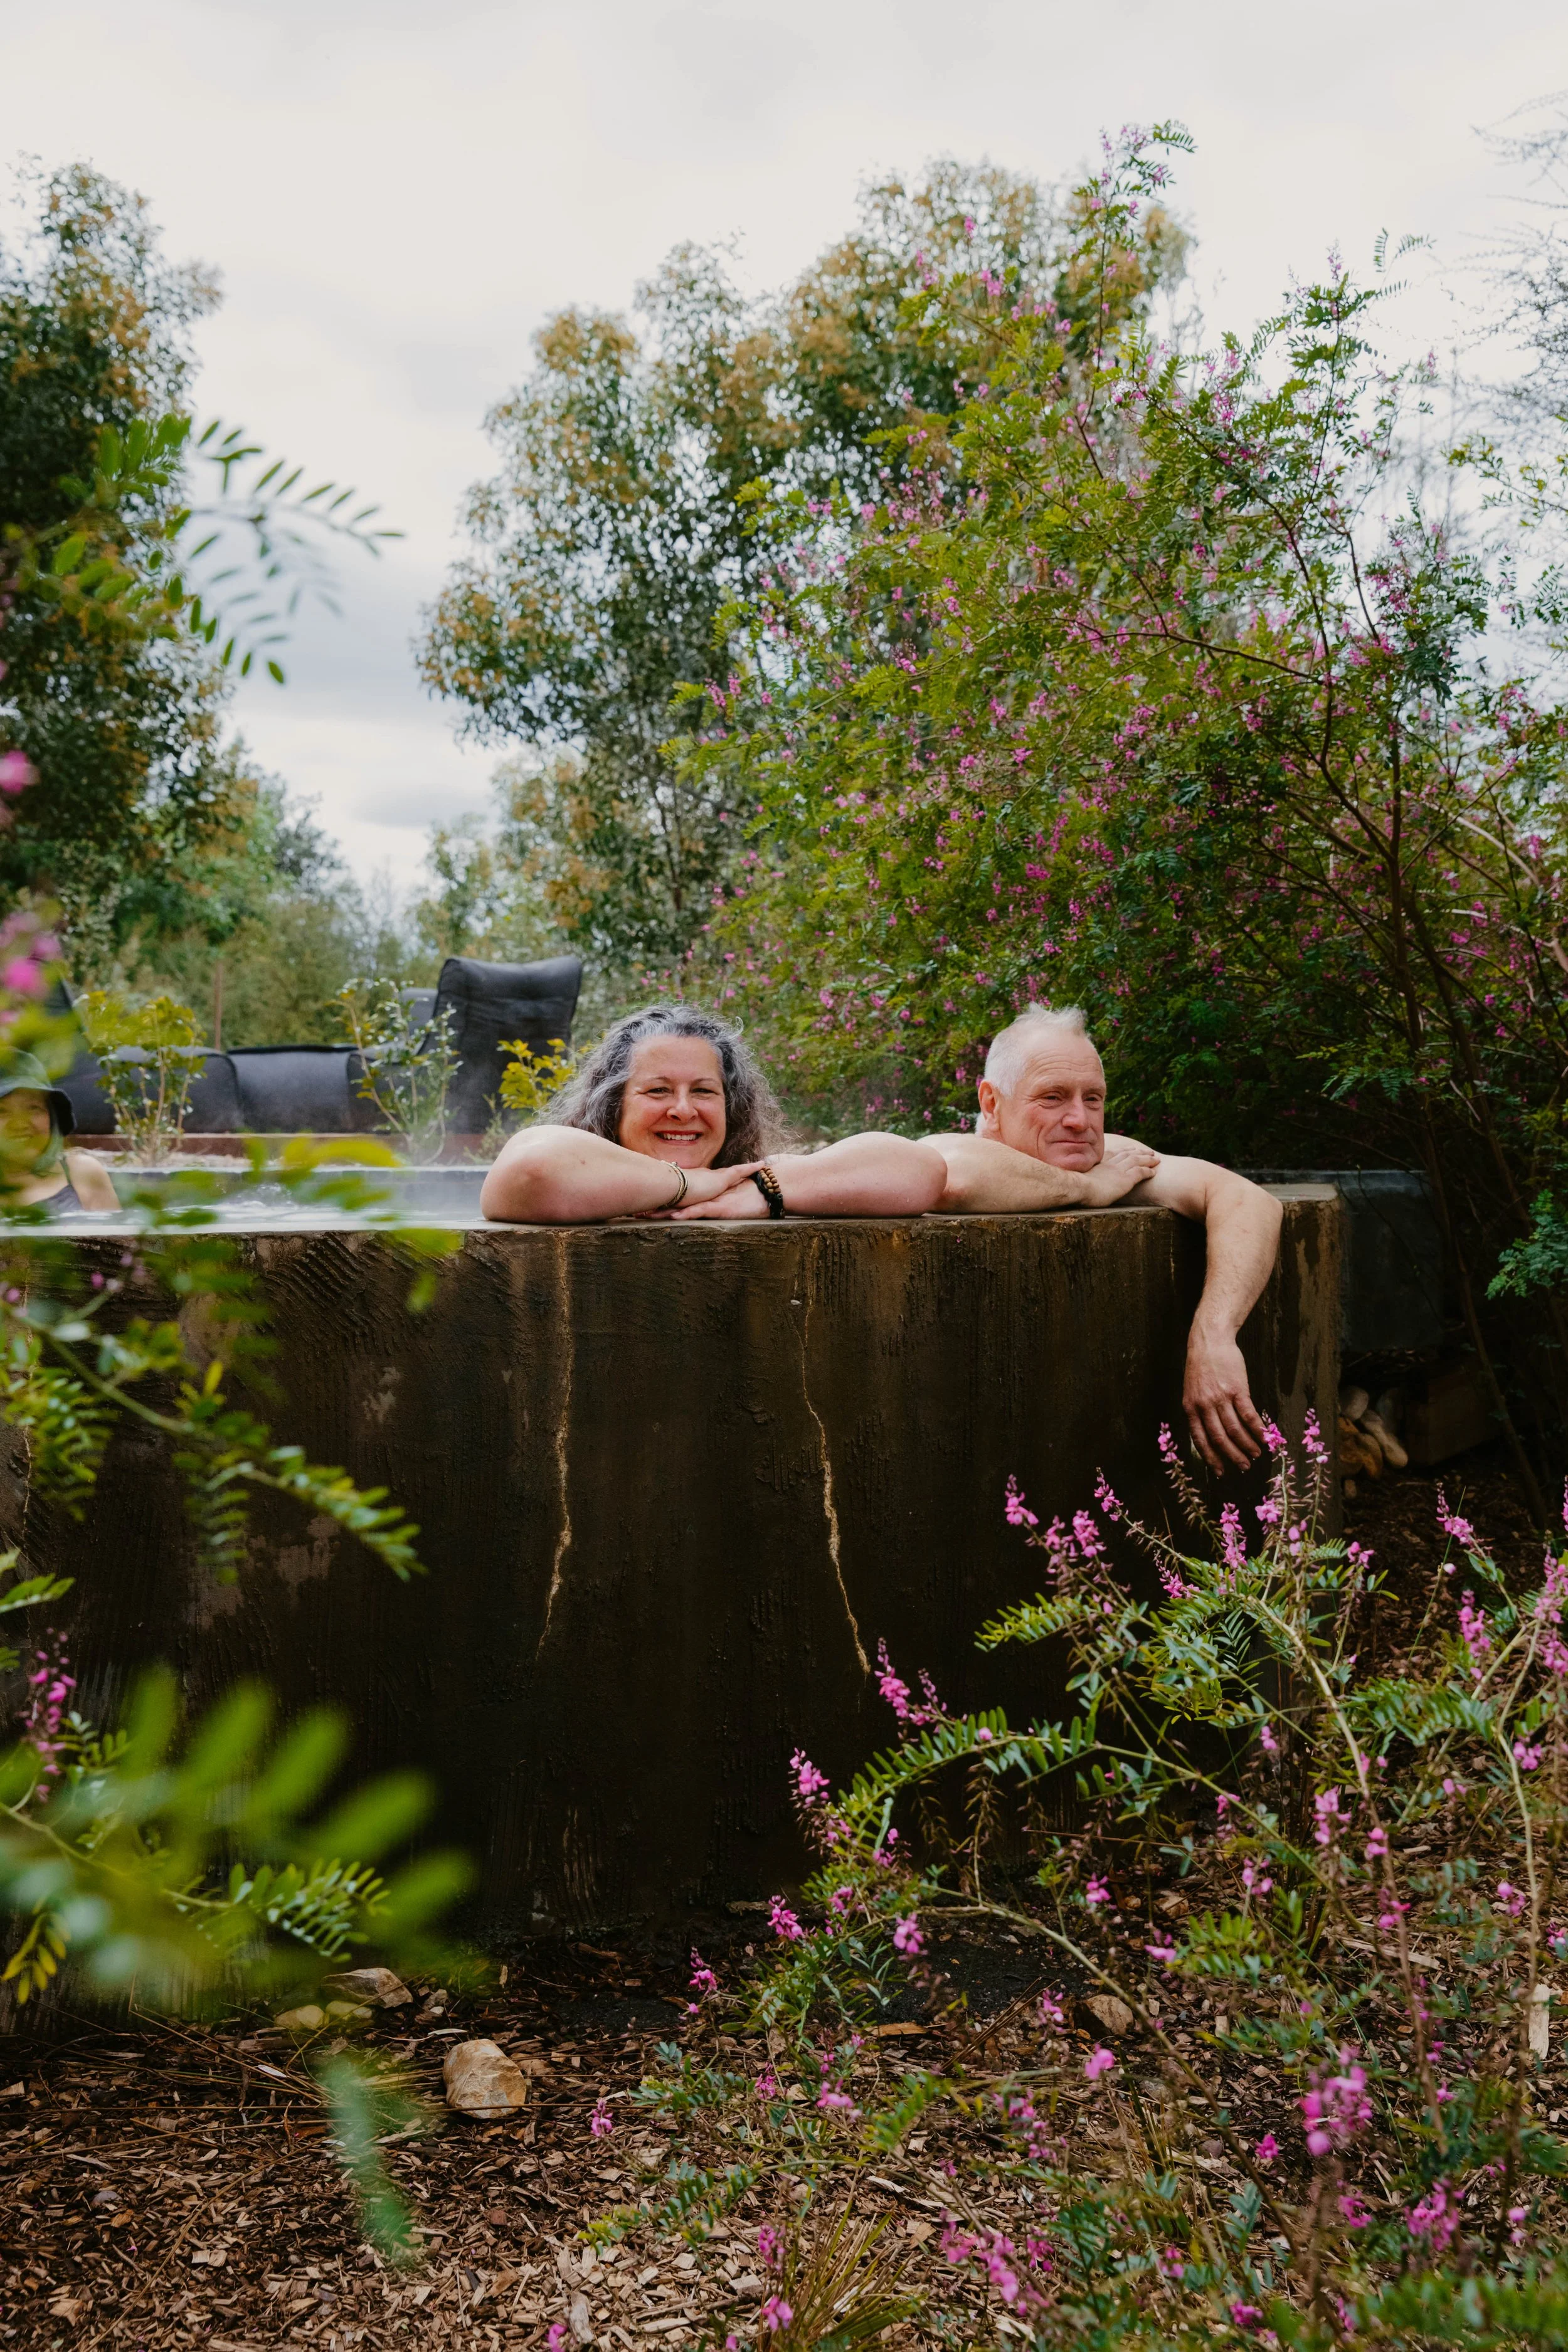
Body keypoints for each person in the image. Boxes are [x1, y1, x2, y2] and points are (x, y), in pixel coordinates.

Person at [931, 1006, 1283, 1473]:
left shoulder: (1105, 1158)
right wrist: (1088, 1189)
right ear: (992, 1104)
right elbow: (949, 1174)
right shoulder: (962, 1154)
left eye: (1093, 1098)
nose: (1079, 1119)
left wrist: (1214, 1336)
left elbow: (1248, 1200)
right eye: (1053, 1097)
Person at [480, 1005, 946, 1226]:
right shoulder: (572, 1168)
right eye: (658, 1090)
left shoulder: (749, 1181)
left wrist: (766, 1194)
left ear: (732, 1106)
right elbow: (531, 1169)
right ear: (614, 1104)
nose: (683, 1110)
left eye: (703, 1091)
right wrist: (686, 1184)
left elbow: (920, 1169)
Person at [0, 1051, 119, 1214]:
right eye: (2, 1112)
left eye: (33, 1108)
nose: (20, 1124)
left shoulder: (82, 1173)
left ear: (52, 1116)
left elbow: (118, 1239)